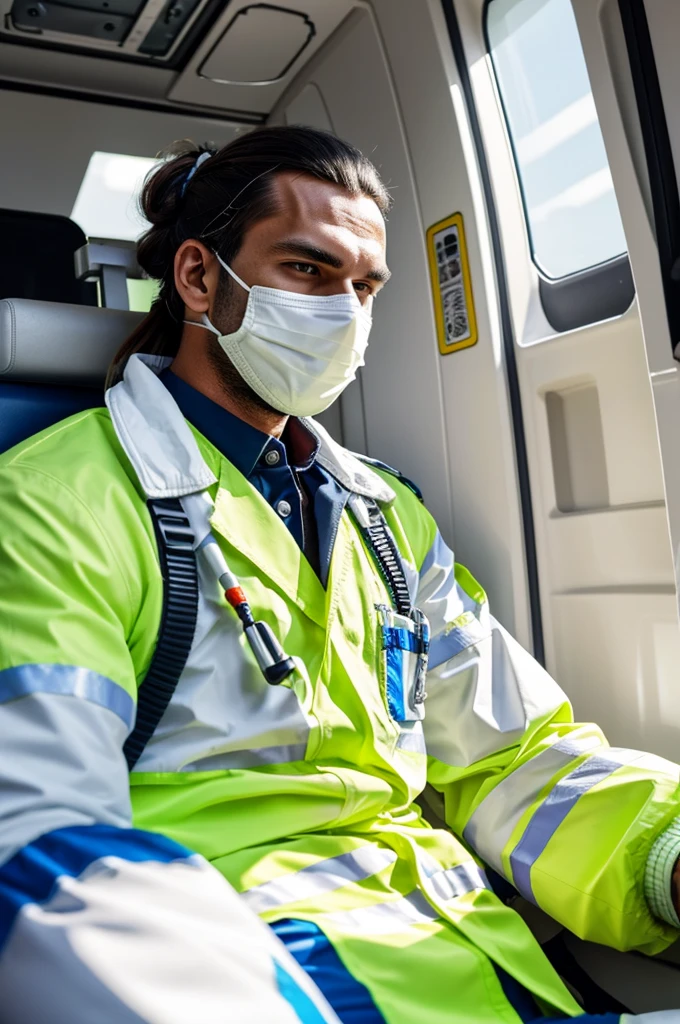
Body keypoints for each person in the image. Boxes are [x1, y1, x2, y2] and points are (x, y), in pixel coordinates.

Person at [0, 126, 679, 1024]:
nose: (345, 314)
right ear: (200, 278)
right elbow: (43, 833)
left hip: (483, 963)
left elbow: (512, 757)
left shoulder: (386, 515)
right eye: (310, 272)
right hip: (243, 973)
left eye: (365, 287)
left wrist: (664, 859)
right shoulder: (51, 500)